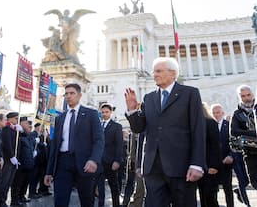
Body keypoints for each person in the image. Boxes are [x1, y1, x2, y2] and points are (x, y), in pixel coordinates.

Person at [124, 57, 206, 207]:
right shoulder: (149, 98)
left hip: (182, 167)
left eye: (159, 71)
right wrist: (131, 111)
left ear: (173, 73)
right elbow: (139, 129)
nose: (154, 74)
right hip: (153, 168)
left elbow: (198, 130)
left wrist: (197, 164)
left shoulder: (190, 94)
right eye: (154, 71)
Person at [44, 83, 104, 207]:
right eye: (66, 94)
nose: (68, 96)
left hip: (84, 163)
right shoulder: (60, 118)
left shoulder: (91, 114)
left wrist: (93, 160)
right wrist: (49, 171)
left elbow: (99, 140)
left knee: (87, 201)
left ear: (79, 95)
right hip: (62, 163)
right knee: (60, 201)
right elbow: (54, 146)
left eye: (72, 93)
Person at [231, 84, 257, 206]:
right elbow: (234, 132)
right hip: (250, 153)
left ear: (253, 95)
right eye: (243, 96)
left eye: (248, 95)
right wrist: (252, 133)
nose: (247, 98)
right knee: (255, 181)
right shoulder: (236, 114)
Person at [95, 103, 123, 207]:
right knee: (100, 187)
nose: (104, 114)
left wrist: (117, 161)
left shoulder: (117, 126)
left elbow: (119, 145)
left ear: (110, 113)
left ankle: (116, 205)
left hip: (111, 162)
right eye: (102, 112)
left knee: (114, 187)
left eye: (106, 112)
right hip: (99, 162)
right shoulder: (98, 126)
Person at [210, 103, 235, 207]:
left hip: (226, 163)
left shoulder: (229, 125)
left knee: (228, 189)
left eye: (218, 112)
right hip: (212, 165)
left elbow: (233, 143)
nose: (216, 115)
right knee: (212, 190)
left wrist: (231, 155)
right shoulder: (208, 126)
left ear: (223, 113)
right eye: (214, 113)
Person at [197, 103, 221, 207]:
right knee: (202, 197)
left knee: (210, 197)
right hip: (196, 166)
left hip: (209, 166)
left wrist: (214, 165)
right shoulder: (191, 124)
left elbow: (216, 146)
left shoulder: (210, 123)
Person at [0, 112, 21, 207]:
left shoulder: (15, 130)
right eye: (15, 118)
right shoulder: (6, 129)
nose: (16, 121)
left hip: (14, 161)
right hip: (8, 160)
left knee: (9, 183)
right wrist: (11, 156)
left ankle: (3, 200)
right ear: (10, 119)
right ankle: (0, 201)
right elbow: (7, 145)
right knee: (4, 182)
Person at [11, 117, 35, 206]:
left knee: (24, 183)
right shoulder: (17, 134)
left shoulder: (27, 136)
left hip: (28, 165)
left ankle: (21, 197)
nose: (27, 125)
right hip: (20, 164)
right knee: (17, 184)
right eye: (25, 123)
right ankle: (14, 201)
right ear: (20, 123)